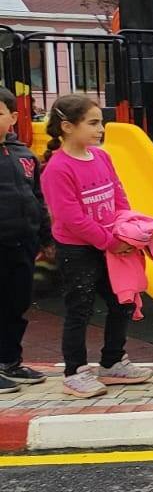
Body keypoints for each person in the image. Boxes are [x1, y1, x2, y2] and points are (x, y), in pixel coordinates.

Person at [38, 94, 153, 398]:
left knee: (123, 302)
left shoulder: (102, 157)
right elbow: (71, 218)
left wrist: (126, 230)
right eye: (92, 123)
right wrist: (111, 242)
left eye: (100, 122)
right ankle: (74, 372)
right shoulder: (57, 169)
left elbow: (119, 195)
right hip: (78, 251)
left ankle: (113, 362)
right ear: (66, 126)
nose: (100, 129)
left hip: (111, 243)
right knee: (80, 308)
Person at [0, 89, 48, 392]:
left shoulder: (24, 155)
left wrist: (45, 236)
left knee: (15, 304)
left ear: (13, 117)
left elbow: (37, 198)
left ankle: (9, 360)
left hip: (23, 243)